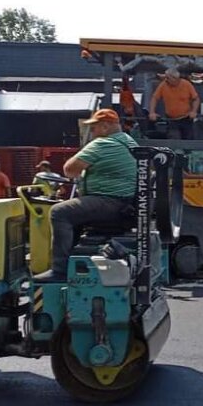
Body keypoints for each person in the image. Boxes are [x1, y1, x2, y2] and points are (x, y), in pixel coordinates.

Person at [34, 108, 138, 282]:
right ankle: (73, 257)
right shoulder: (129, 142)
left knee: (59, 212)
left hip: (108, 203)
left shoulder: (103, 143)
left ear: (105, 127)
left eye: (94, 128)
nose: (93, 132)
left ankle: (59, 270)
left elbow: (69, 170)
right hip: (125, 205)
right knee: (74, 213)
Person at [147, 67, 200, 139]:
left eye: (168, 78)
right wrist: (152, 112)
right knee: (174, 140)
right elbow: (154, 98)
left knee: (188, 142)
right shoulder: (163, 85)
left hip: (186, 119)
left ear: (175, 78)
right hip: (172, 120)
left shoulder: (186, 84)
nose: (166, 80)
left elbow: (196, 99)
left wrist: (194, 111)